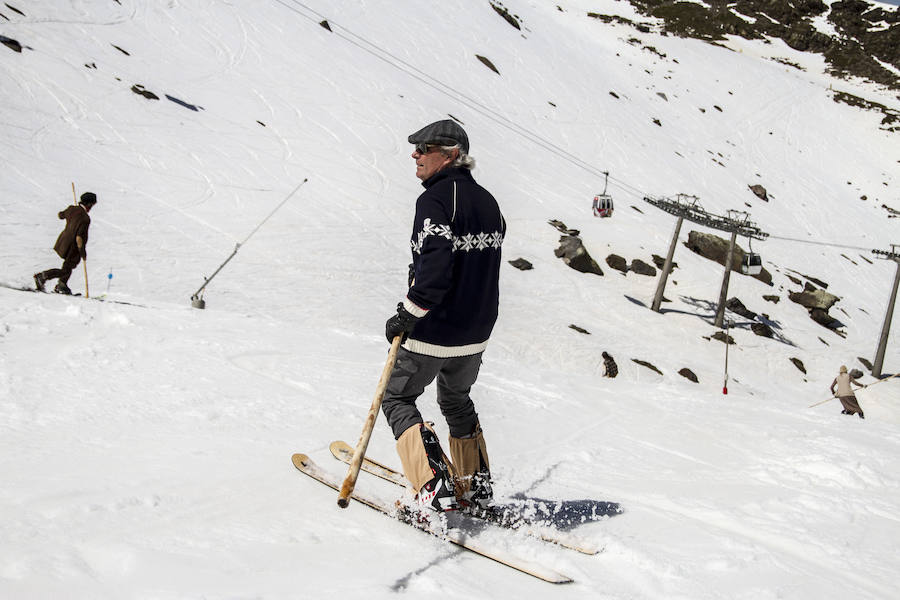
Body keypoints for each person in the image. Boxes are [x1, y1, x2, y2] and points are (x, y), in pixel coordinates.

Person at [382, 119, 506, 513]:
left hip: (435, 328)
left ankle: (434, 484)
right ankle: (475, 485)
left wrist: (407, 313)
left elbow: (435, 270)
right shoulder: (488, 201)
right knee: (456, 399)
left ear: (451, 154)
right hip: (477, 329)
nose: (415, 154)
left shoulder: (435, 200)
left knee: (397, 396)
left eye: (424, 148)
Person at [34, 192, 97, 295]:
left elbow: (60, 215)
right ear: (89, 204)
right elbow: (79, 237)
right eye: (92, 205)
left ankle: (62, 285)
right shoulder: (85, 218)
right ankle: (42, 276)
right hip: (73, 247)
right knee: (66, 270)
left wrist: (69, 212)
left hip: (63, 242)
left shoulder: (72, 209)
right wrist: (82, 252)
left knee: (67, 266)